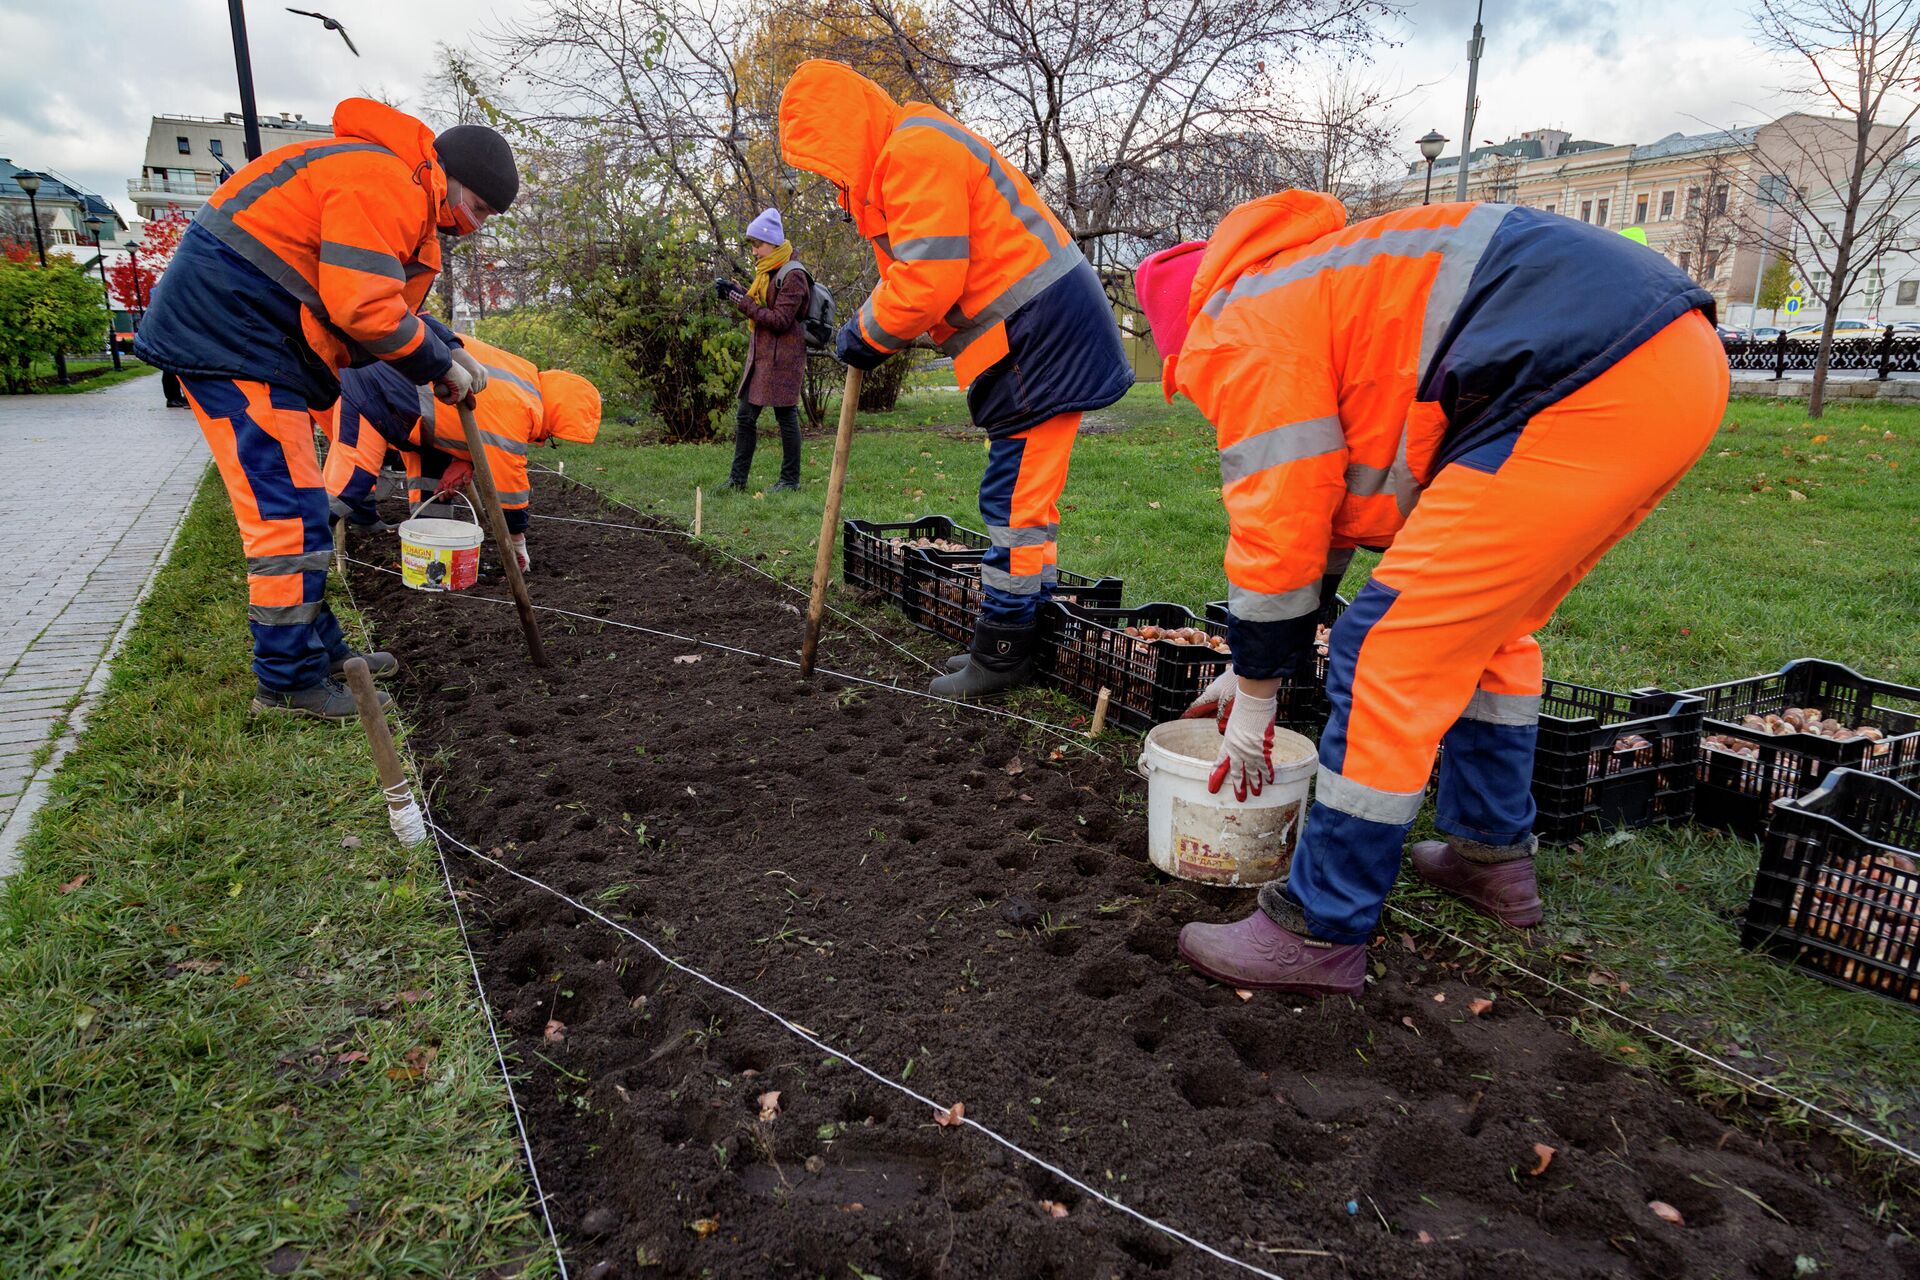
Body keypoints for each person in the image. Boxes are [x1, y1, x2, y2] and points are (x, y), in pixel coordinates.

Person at [1132, 191, 1729, 997]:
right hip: (1666, 365)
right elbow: (1322, 516)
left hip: (1579, 381)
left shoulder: (1239, 327)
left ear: (1180, 334)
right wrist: (1250, 668)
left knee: (1387, 652)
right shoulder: (1313, 284)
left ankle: (1320, 927)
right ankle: (1491, 859)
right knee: (1485, 631)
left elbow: (1278, 515)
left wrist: (1260, 700)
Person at [134, 99, 516, 720]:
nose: (471, 227)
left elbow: (375, 297)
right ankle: (287, 682)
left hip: (253, 338)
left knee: (304, 508)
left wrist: (444, 347)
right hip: (236, 339)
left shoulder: (394, 181)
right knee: (285, 518)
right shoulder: (387, 180)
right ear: (447, 176)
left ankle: (322, 651)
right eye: (475, 208)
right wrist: (436, 366)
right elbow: (363, 309)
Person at [778, 60, 1133, 698]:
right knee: (1027, 504)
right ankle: (1035, 633)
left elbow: (928, 280)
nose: (830, 175)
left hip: (1039, 335)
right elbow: (916, 269)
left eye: (827, 159)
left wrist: (863, 336)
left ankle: (1003, 652)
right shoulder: (906, 149)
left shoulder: (915, 150)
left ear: (847, 130)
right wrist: (867, 321)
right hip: (1035, 331)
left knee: (1015, 506)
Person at [324, 333, 603, 568]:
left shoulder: (523, 380)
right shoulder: (522, 409)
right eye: (556, 436)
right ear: (557, 416)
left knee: (433, 489)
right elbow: (508, 486)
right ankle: (301, 550)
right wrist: (516, 540)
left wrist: (463, 461)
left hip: (415, 409)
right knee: (347, 484)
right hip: (375, 389)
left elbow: (474, 424)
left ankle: (432, 559)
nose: (551, 439)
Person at [715, 208, 809, 492]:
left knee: (785, 416)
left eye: (758, 244)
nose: (754, 251)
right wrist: (735, 291)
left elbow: (779, 320)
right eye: (753, 245)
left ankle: (790, 481)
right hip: (763, 357)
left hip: (784, 358)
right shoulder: (768, 272)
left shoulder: (793, 275)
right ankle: (737, 481)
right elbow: (764, 304)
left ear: (773, 242)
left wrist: (739, 300)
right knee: (745, 416)